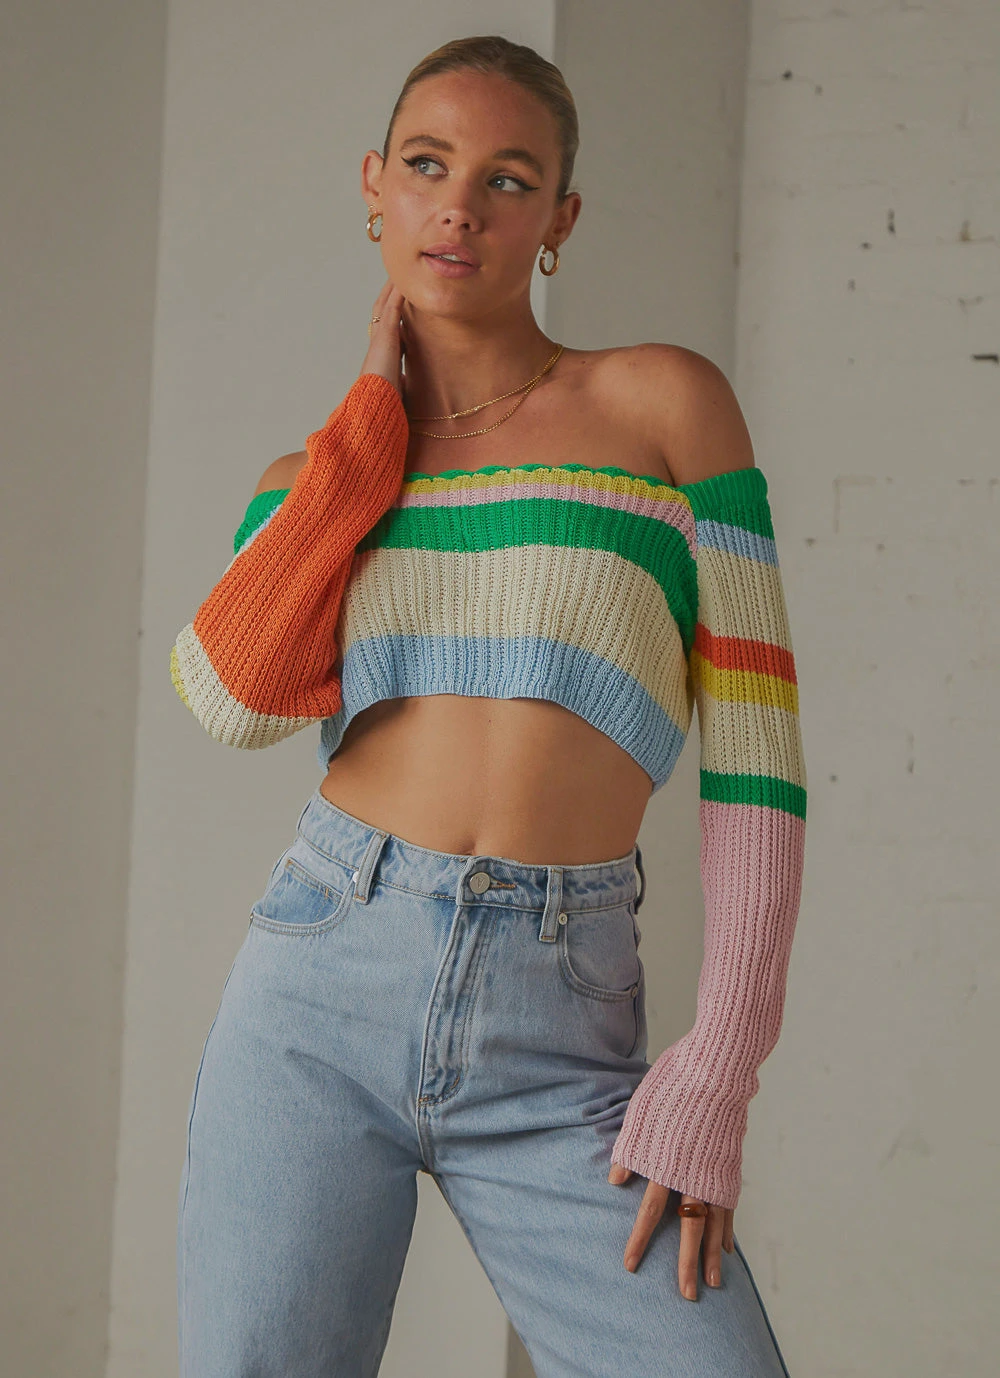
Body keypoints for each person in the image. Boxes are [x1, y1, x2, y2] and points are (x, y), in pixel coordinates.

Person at [170, 33, 806, 1378]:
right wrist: (363, 434)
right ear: (375, 188)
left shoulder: (664, 406)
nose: (459, 206)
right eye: (427, 165)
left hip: (561, 1013)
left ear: (560, 218)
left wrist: (719, 1063)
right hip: (317, 984)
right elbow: (228, 699)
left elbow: (758, 764)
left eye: (508, 180)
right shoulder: (310, 482)